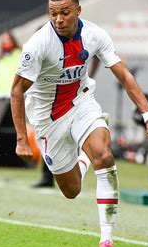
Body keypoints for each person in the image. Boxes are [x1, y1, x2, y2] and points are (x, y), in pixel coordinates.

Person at [10, 0, 148, 247]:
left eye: (65, 12)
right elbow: (17, 90)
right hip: (47, 120)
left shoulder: (95, 35)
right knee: (72, 191)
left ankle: (107, 242)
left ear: (78, 10)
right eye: (53, 13)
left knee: (104, 156)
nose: (58, 19)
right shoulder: (37, 44)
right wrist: (22, 138)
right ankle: (83, 158)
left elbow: (124, 75)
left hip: (81, 104)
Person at [34, 56, 100, 188]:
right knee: (71, 190)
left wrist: (89, 75)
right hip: (48, 102)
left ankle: (94, 132)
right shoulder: (42, 41)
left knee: (67, 136)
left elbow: (97, 53)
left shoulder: (81, 38)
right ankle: (82, 160)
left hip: (72, 101)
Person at [0, 31, 21, 99]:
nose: (5, 42)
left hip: (12, 94)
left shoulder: (20, 54)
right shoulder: (1, 57)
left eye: (7, 39)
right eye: (3, 40)